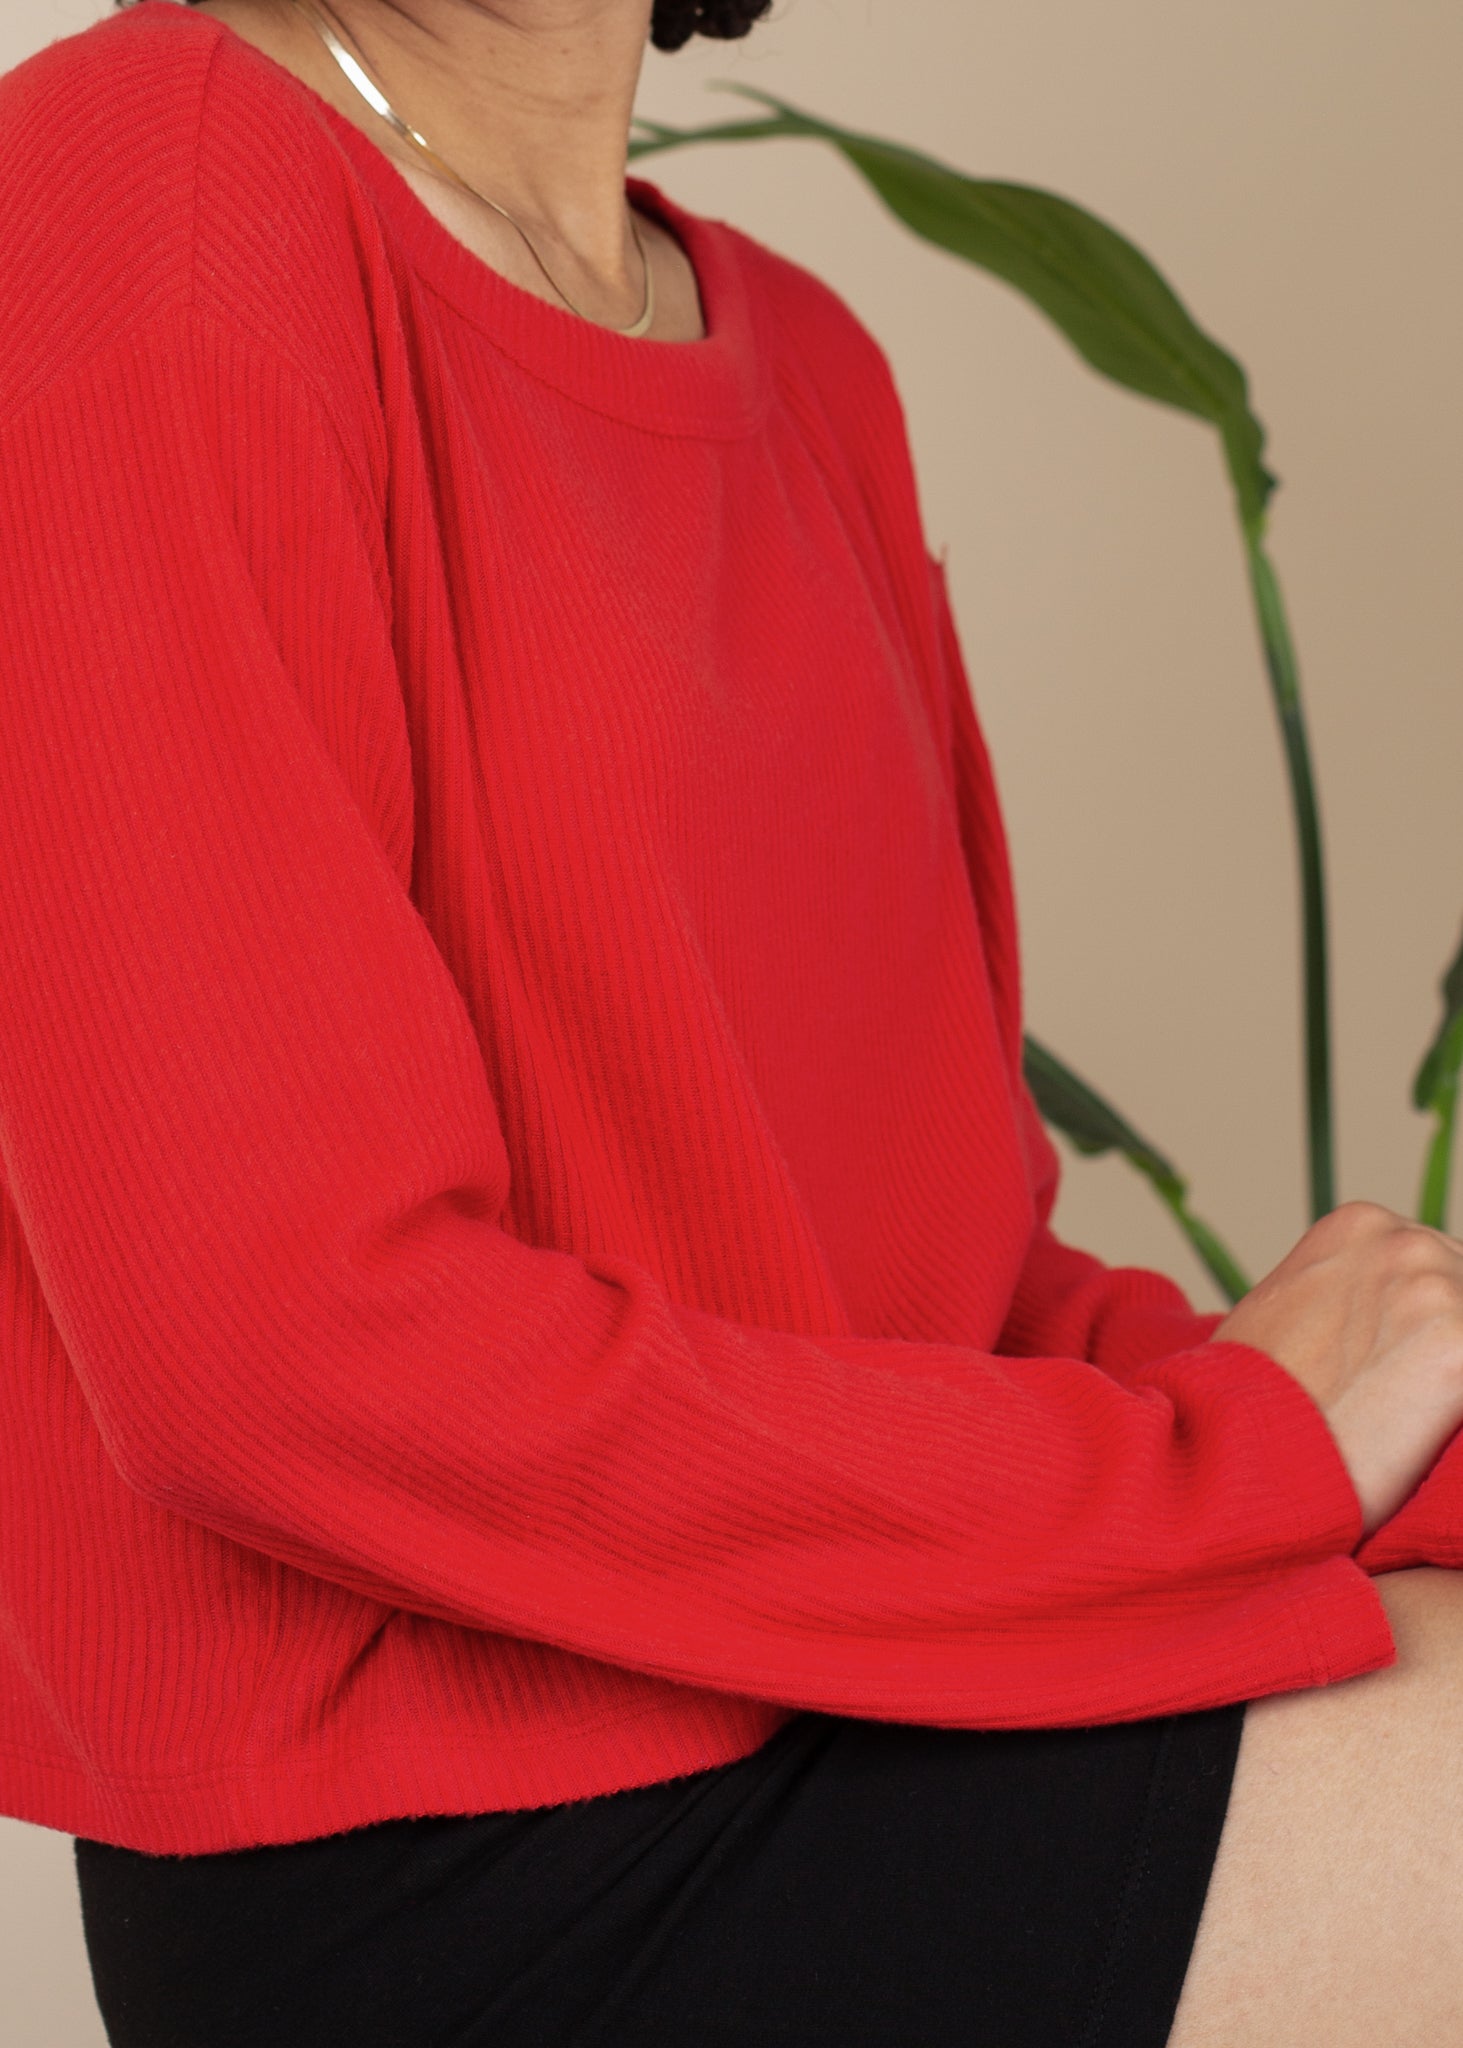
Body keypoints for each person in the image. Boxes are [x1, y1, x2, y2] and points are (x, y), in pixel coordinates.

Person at [1, 0, 1462, 2040]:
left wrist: (1397, 1422)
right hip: (462, 1853)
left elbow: (951, 1291)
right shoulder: (140, 188)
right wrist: (1240, 1458)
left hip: (874, 1692)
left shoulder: (807, 360)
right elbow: (274, 1346)